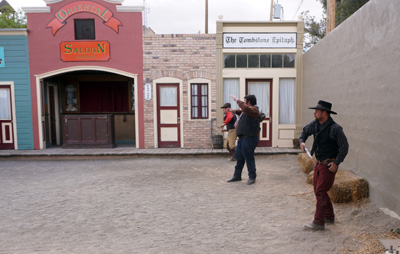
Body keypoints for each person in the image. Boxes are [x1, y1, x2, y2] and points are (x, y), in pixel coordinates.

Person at [299, 100, 349, 231]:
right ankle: (329, 216)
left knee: (320, 191)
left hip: (328, 165)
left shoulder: (335, 128)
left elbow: (344, 147)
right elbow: (305, 131)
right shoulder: (315, 124)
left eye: (317, 111)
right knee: (318, 191)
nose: (315, 113)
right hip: (318, 163)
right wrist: (302, 141)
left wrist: (337, 162)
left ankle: (318, 222)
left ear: (324, 113)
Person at [226, 95, 260, 185]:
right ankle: (237, 176)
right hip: (242, 138)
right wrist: (233, 110)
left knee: (249, 158)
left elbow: (246, 109)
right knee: (239, 157)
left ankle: (252, 177)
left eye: (245, 101)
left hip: (249, 138)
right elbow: (242, 111)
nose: (243, 103)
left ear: (248, 102)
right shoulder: (248, 111)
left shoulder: (254, 110)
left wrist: (237, 100)